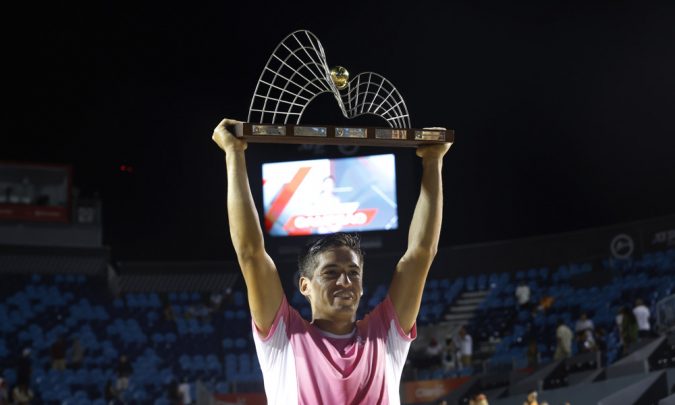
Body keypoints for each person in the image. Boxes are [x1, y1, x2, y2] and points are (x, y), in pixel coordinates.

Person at [212, 118, 451, 404]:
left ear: (363, 286)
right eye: (331, 272)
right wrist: (234, 154)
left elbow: (420, 254)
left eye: (353, 272)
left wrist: (433, 162)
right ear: (305, 285)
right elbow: (250, 253)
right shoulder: (285, 336)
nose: (345, 281)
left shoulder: (384, 335)